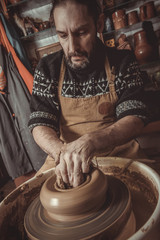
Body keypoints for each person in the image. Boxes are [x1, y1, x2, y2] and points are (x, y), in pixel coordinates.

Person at [28, 0, 149, 188]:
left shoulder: (123, 61)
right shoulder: (47, 68)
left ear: (99, 24)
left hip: (119, 151)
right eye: (63, 35)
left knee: (148, 189)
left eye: (81, 33)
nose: (72, 47)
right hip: (65, 155)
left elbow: (135, 117)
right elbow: (39, 124)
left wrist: (91, 141)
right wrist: (62, 153)